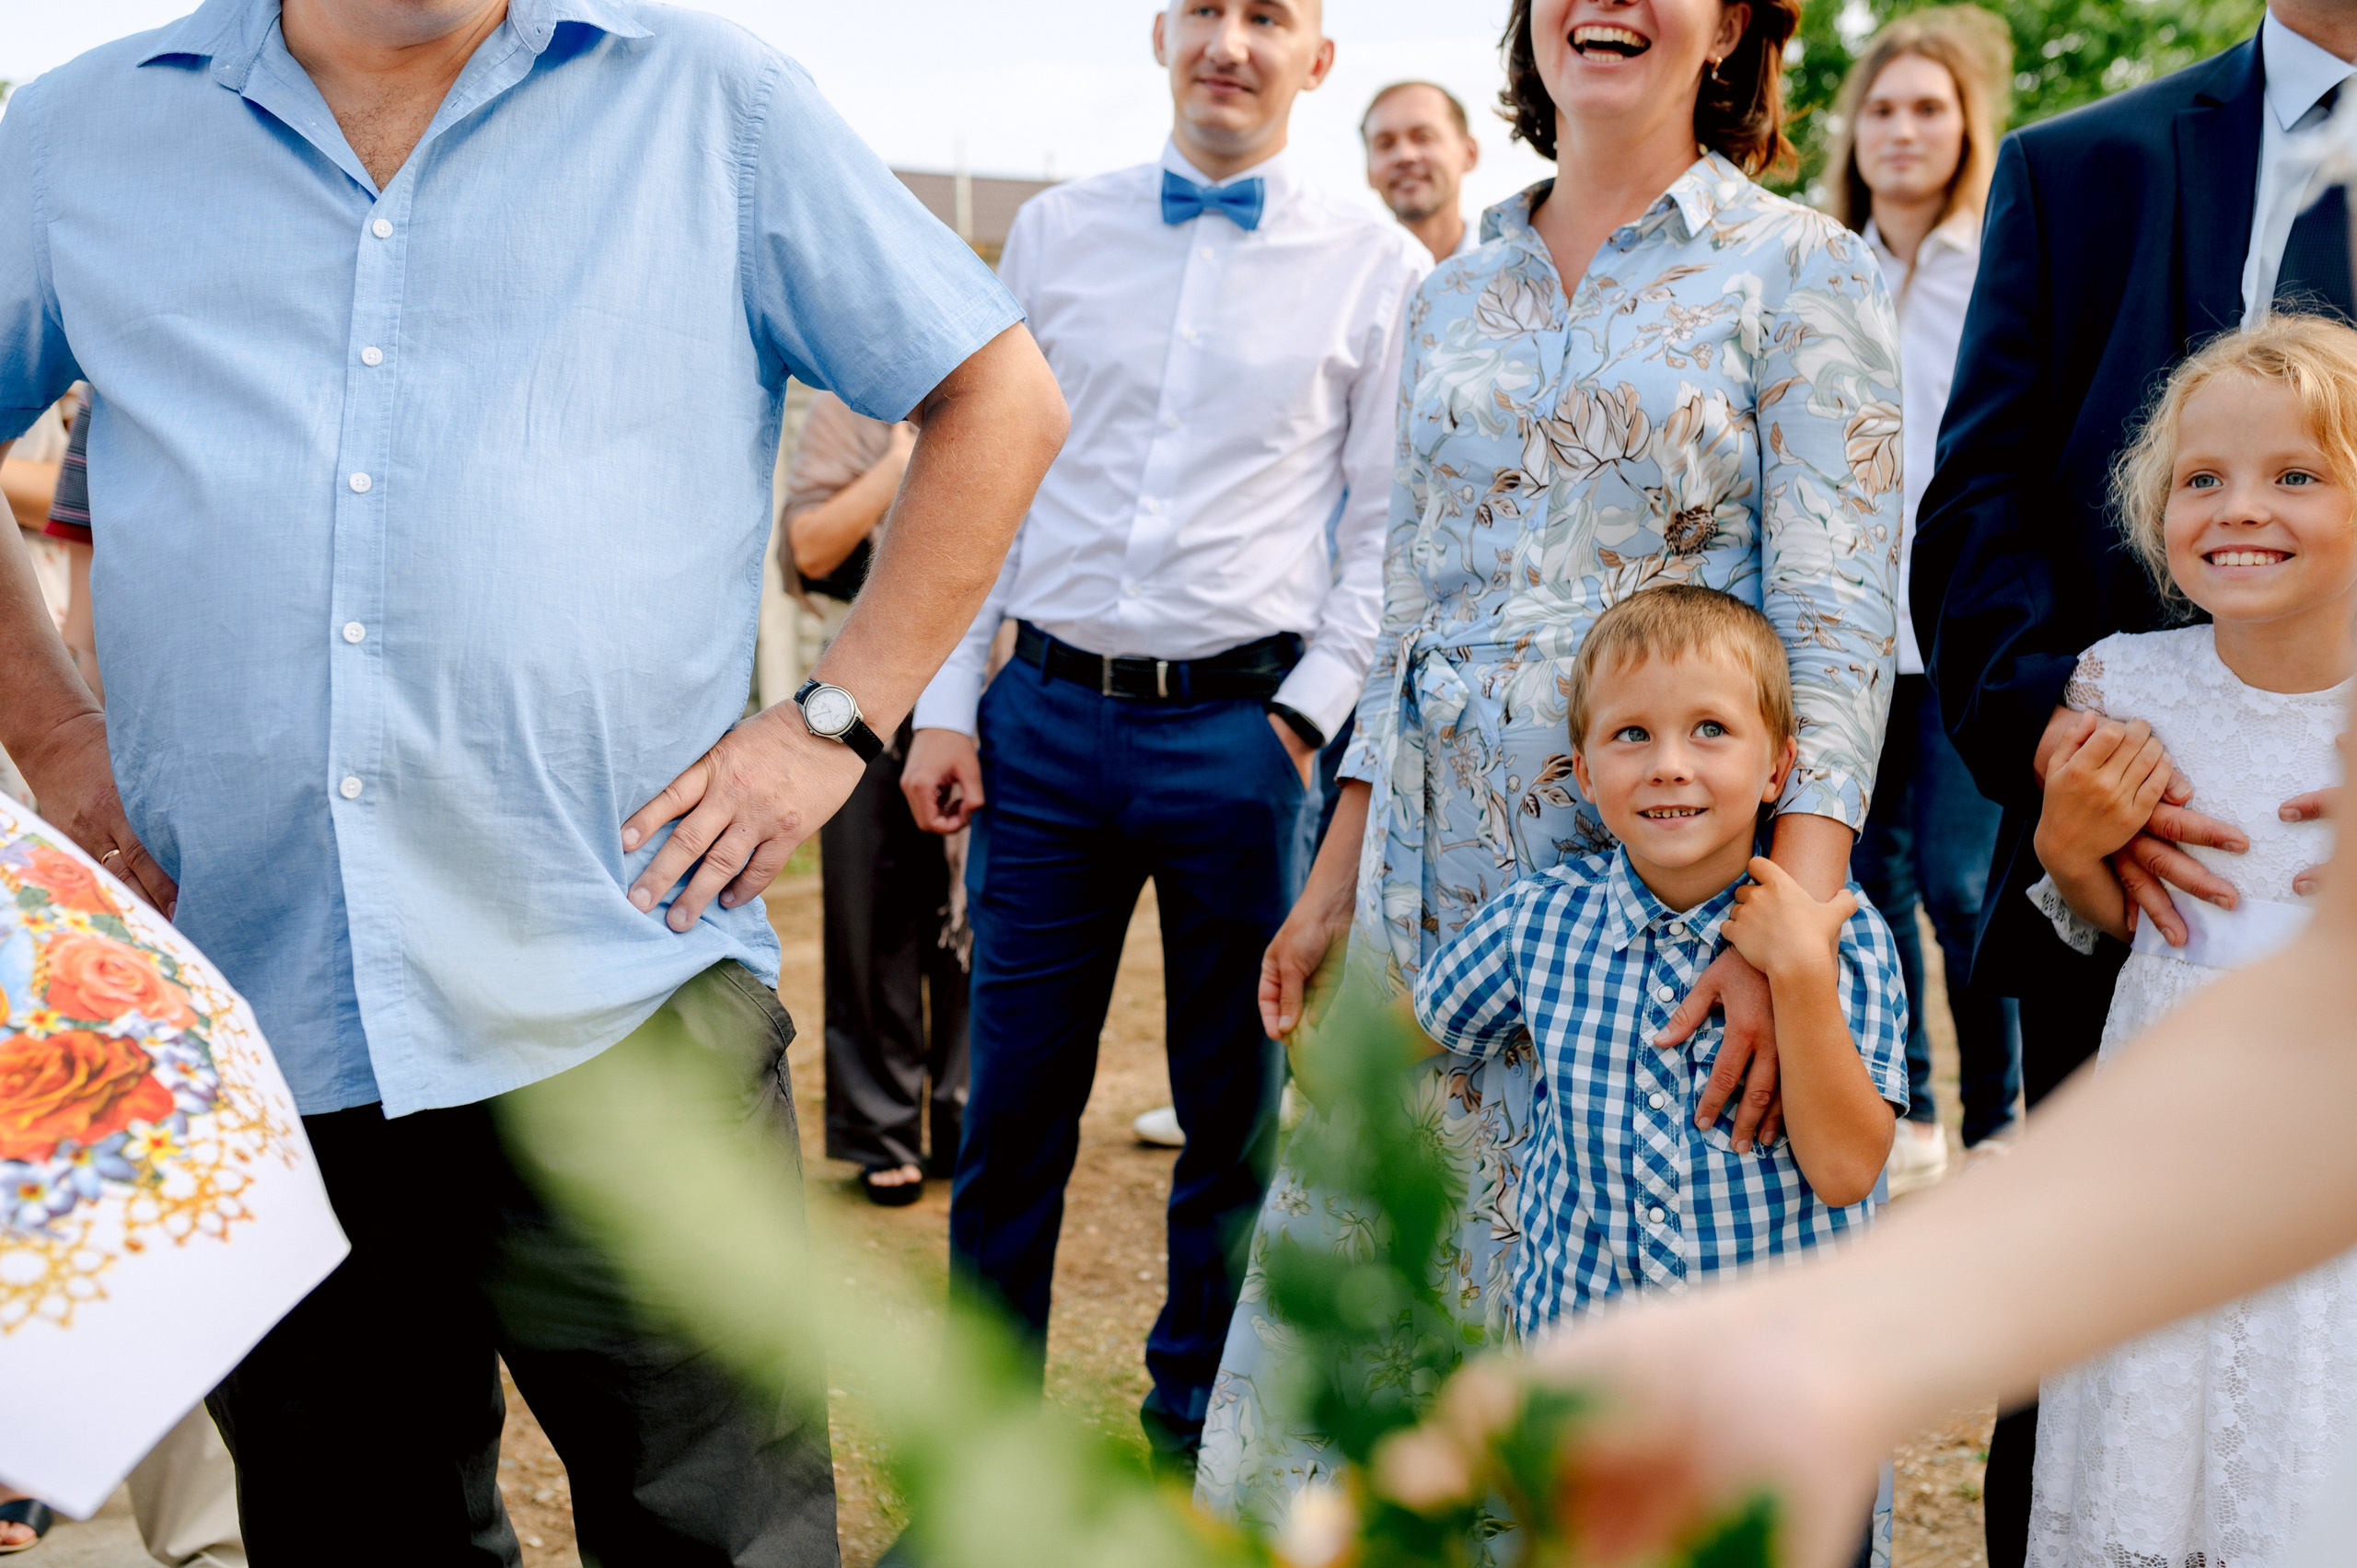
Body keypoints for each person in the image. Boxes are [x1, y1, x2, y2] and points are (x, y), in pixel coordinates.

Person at [0, 1, 1067, 1563]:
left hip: (622, 990)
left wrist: (831, 721)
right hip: (263, 1006)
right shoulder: (77, 129)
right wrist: (59, 739)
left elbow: (1001, 398)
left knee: (718, 1534)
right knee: (357, 1536)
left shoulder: (717, 104)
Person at [1198, 0, 1901, 1531]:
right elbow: (1409, 606)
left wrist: (1796, 942)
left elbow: (1838, 620)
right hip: (1429, 891)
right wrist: (1334, 878)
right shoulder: (1450, 289)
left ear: (1729, 28)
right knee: (1394, 1299)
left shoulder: (1806, 268)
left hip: (1668, 904)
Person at [897, 0, 1428, 1476]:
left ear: (1316, 58)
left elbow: (1384, 531)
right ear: (1159, 35)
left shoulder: (1382, 268)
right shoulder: (1055, 234)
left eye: (1271, 16)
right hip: (1045, 728)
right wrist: (949, 703)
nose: (1232, 42)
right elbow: (982, 472)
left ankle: (1197, 1438)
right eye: (1206, 8)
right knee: (1009, 1117)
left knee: (1232, 1121)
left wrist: (1298, 723)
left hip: (1241, 741)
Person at [1910, 3, 2357, 1555]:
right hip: (2138, 890)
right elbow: (1976, 508)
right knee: (2111, 1363)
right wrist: (2069, 765)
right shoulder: (2073, 169)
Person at [1414, 587, 1907, 1559]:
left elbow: (1850, 1167)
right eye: (1631, 734)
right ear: (1584, 773)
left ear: (1778, 768)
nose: (1669, 764)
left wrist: (1796, 972)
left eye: (1710, 730)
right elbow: (1421, 1023)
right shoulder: (1538, 922)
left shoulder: (1842, 940)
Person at [2016, 319, 2357, 1564]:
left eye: (2297, 475)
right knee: (2153, 1450)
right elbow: (2137, 919)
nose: (2239, 508)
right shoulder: (2124, 684)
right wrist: (2066, 847)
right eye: (2201, 479)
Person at [1825, 8, 2018, 1195]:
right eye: (1883, 108)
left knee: (1956, 882)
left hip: (1959, 631)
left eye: (1927, 109)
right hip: (1844, 634)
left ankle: (2000, 1121)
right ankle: (1914, 1105)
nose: (1901, 130)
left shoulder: (1999, 250)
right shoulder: (1816, 256)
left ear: (1964, 127)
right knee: (1869, 878)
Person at [781, 392, 969, 1206]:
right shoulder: (845, 407)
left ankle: (967, 1114)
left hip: (982, 675)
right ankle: (880, 1126)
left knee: (976, 912)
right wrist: (898, 464)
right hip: (864, 683)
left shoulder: (1009, 380)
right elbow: (809, 549)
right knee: (871, 907)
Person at [1362, 80, 1481, 262]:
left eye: (1423, 138)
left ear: (1469, 153)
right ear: (1369, 170)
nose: (1403, 155)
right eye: (1385, 144)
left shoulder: (1516, 274)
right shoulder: (1350, 280)